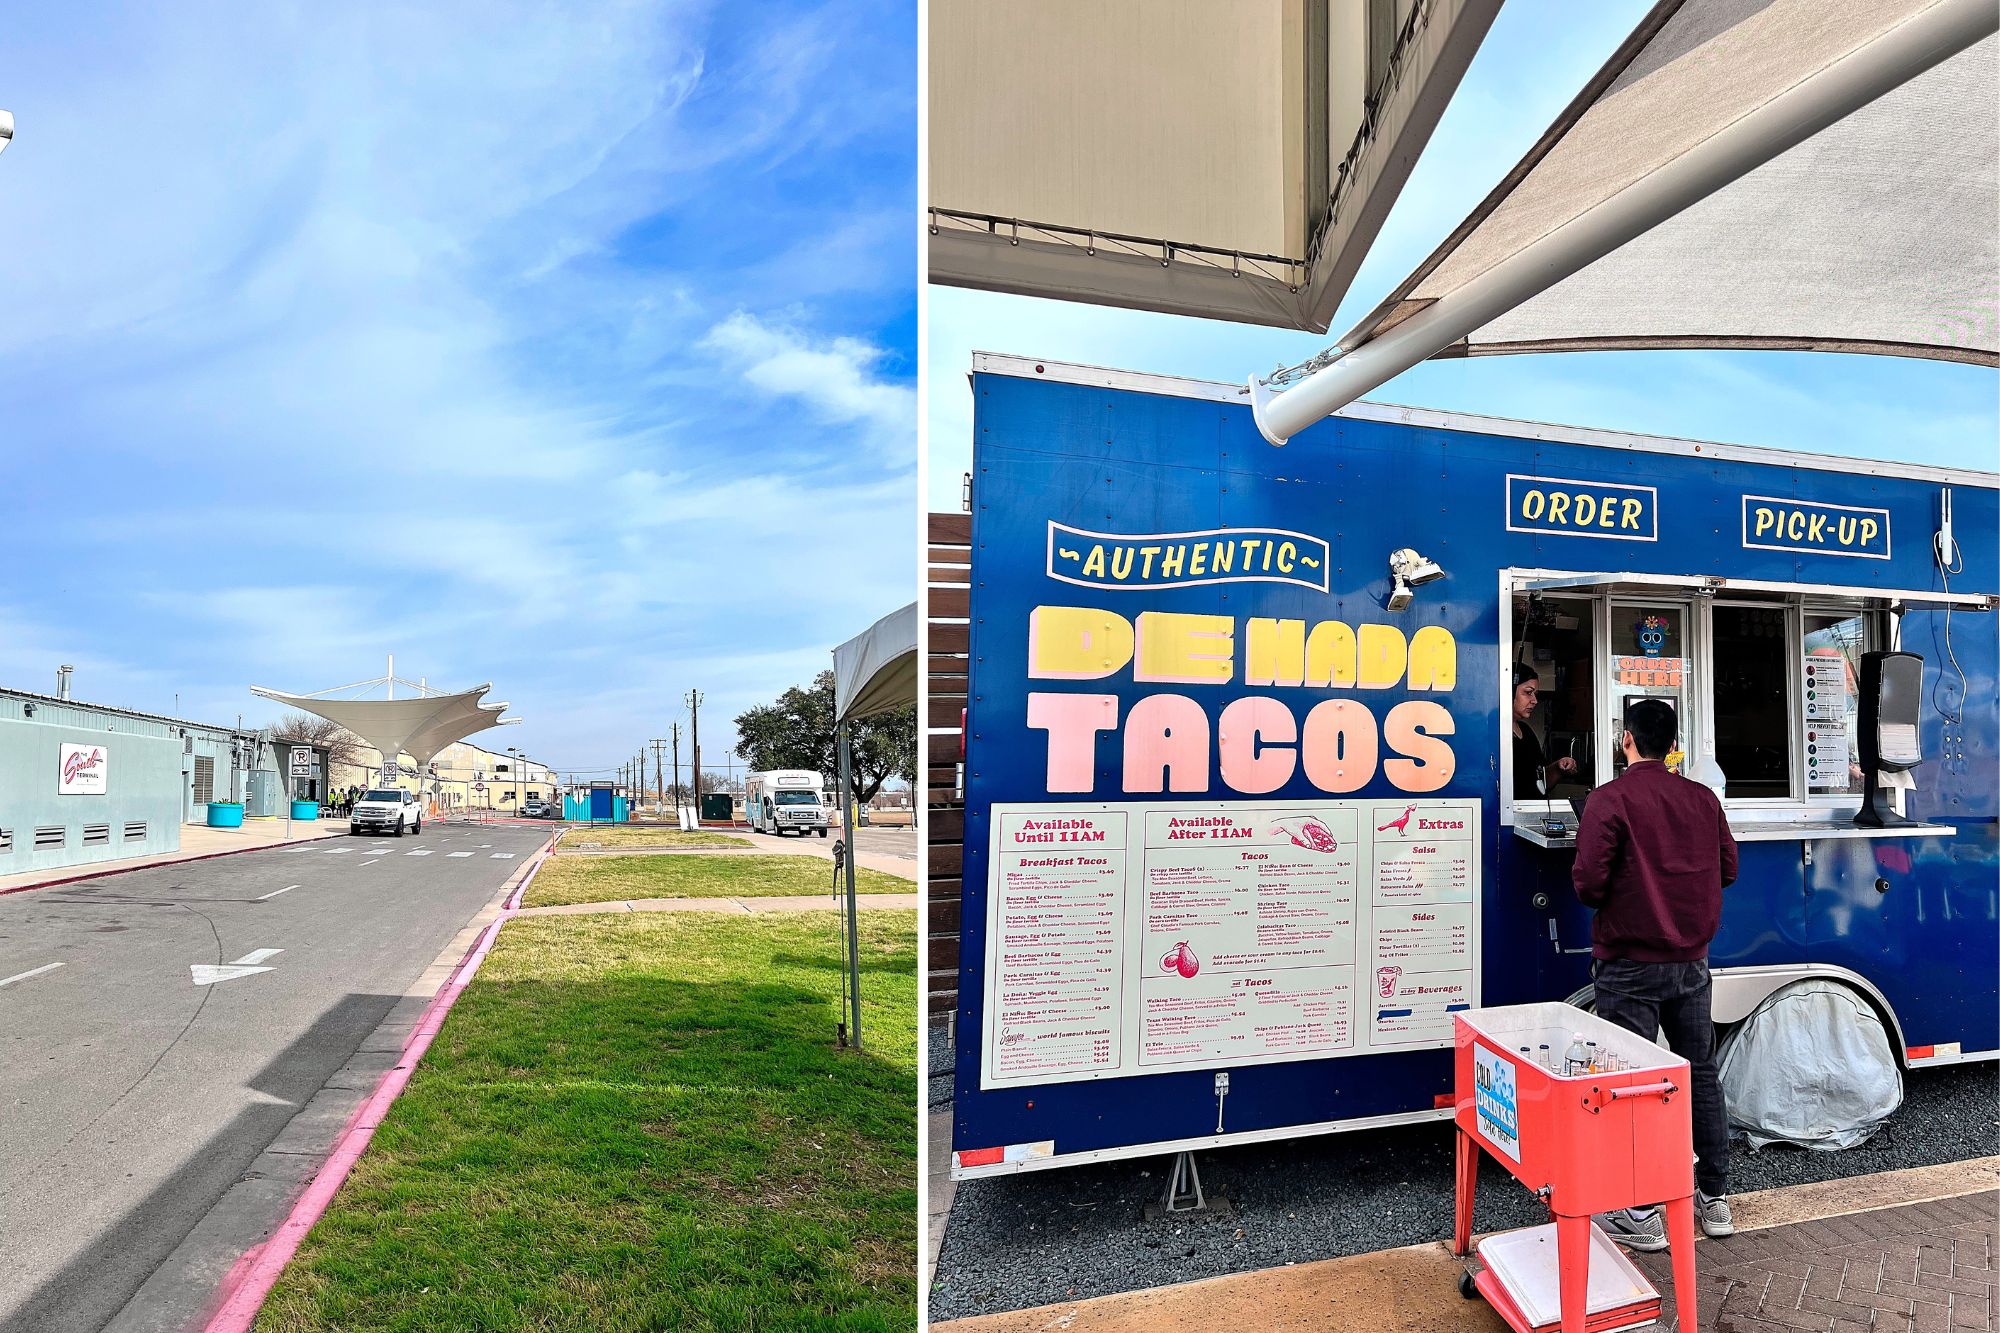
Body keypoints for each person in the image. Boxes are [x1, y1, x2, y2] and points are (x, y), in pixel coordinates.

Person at [1573, 696, 1739, 1248]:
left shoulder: (1608, 799)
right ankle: (1715, 1200)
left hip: (1627, 966)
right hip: (1691, 963)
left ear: (1626, 740)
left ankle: (1640, 1213)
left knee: (1633, 1085)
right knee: (1701, 1073)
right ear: (1672, 745)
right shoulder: (1701, 799)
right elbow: (1729, 868)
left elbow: (1588, 885)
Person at [1511, 663, 1576, 800]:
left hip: (1533, 812)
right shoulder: (1494, 733)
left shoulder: (1526, 731)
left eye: (1535, 694)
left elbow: (1541, 780)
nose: (1534, 701)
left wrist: (1558, 767)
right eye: (1528, 693)